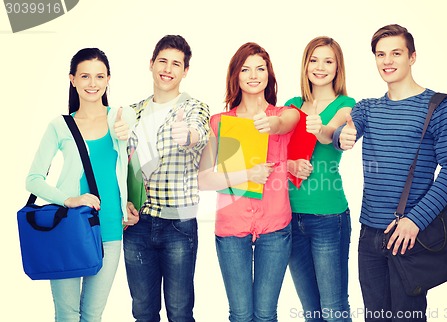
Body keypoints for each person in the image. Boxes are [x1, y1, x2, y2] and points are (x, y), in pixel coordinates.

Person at [333, 24, 447, 321]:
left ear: (412, 57)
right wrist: (340, 135)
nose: (387, 61)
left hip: (410, 237)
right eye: (381, 54)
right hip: (369, 236)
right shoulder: (368, 108)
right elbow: (343, 133)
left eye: (396, 53)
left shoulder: (438, 106)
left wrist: (415, 221)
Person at [25, 47, 136, 321]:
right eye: (85, 76)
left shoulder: (122, 118)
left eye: (99, 76)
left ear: (108, 79)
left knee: (92, 315)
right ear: (72, 79)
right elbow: (33, 179)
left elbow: (131, 163)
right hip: (69, 228)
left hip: (110, 229)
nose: (92, 84)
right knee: (67, 314)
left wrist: (129, 203)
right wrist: (69, 199)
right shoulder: (59, 126)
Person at [198, 42, 299, 322]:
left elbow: (290, 122)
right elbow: (204, 180)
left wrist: (274, 126)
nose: (254, 75)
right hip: (231, 227)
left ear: (269, 74)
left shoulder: (283, 116)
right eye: (245, 69)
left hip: (275, 227)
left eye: (260, 68)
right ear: (236, 76)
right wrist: (247, 175)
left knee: (266, 315)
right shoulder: (219, 122)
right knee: (241, 315)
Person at [123, 35, 210, 322]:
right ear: (151, 64)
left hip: (179, 225)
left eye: (176, 64)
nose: (168, 69)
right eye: (163, 61)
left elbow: (198, 135)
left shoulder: (194, 108)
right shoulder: (132, 113)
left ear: (185, 71)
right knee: (143, 313)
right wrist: (124, 204)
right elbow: (120, 165)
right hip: (137, 225)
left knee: (180, 313)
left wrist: (188, 135)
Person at [285, 36, 355, 322]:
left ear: (338, 68)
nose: (320, 67)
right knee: (311, 312)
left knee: (334, 310)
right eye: (314, 60)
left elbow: (332, 135)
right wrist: (290, 164)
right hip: (289, 216)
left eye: (328, 61)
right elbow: (274, 156)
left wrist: (320, 128)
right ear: (305, 65)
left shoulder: (347, 105)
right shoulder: (291, 105)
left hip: (329, 217)